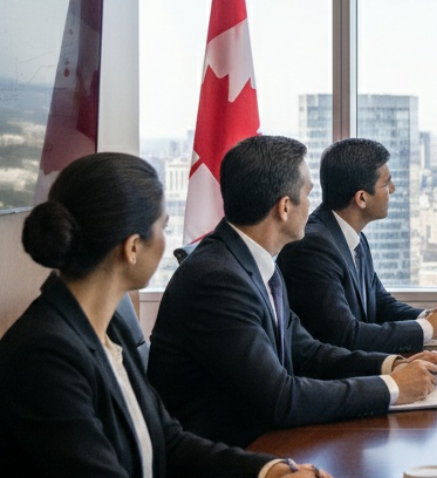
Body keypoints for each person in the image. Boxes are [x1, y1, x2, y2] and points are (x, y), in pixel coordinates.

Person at [0, 153, 329, 477]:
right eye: (162, 227)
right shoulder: (44, 353)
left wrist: (270, 471)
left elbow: (167, 441)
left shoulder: (108, 328)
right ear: (132, 248)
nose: (166, 241)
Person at [149, 136, 437, 448]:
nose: (313, 204)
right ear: (284, 207)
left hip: (268, 440)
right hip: (235, 452)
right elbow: (281, 398)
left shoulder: (257, 262)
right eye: (308, 193)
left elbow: (308, 353)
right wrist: (390, 387)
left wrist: (391, 365)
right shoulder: (218, 280)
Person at [278, 138, 437, 353]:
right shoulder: (313, 247)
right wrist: (427, 329)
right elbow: (345, 335)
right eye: (385, 183)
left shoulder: (353, 236)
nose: (392, 189)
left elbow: (380, 303)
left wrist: (428, 316)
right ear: (362, 198)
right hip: (331, 380)